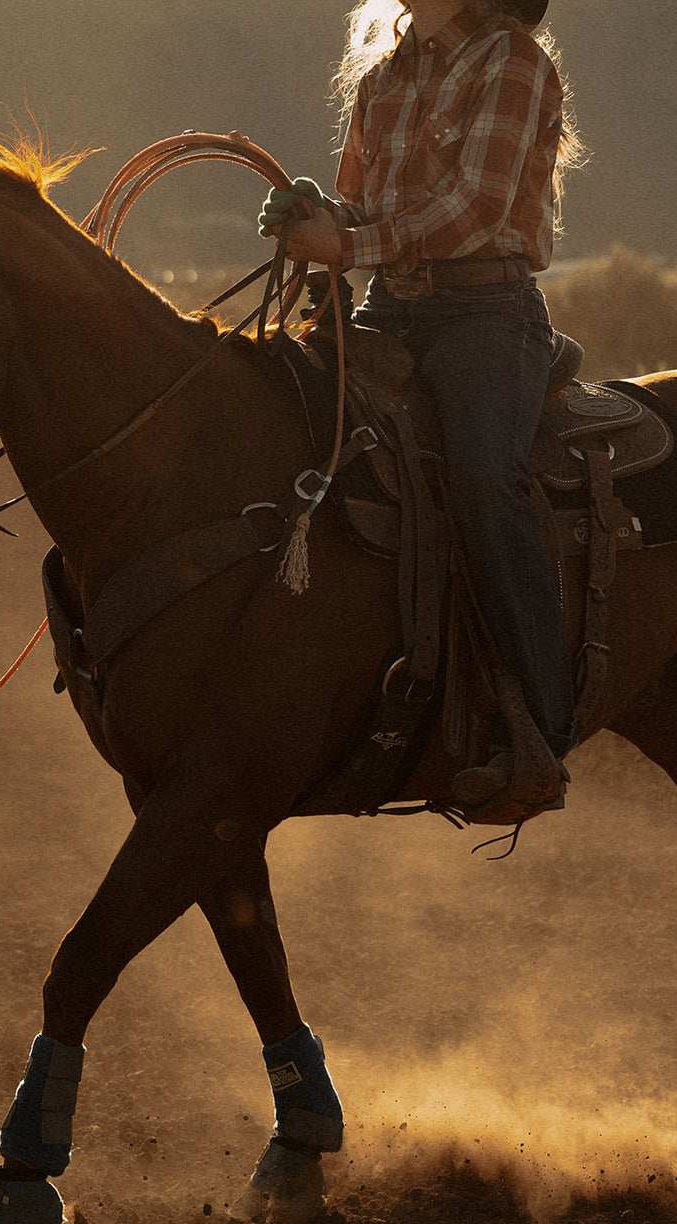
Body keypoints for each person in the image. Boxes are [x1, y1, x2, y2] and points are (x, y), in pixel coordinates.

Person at [259, 0, 584, 815]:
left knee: (484, 483)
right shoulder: (382, 76)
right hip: (388, 311)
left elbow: (475, 209)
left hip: (486, 315)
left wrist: (348, 245)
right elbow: (366, 208)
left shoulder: (511, 62)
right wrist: (319, 218)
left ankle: (538, 729)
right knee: (287, 431)